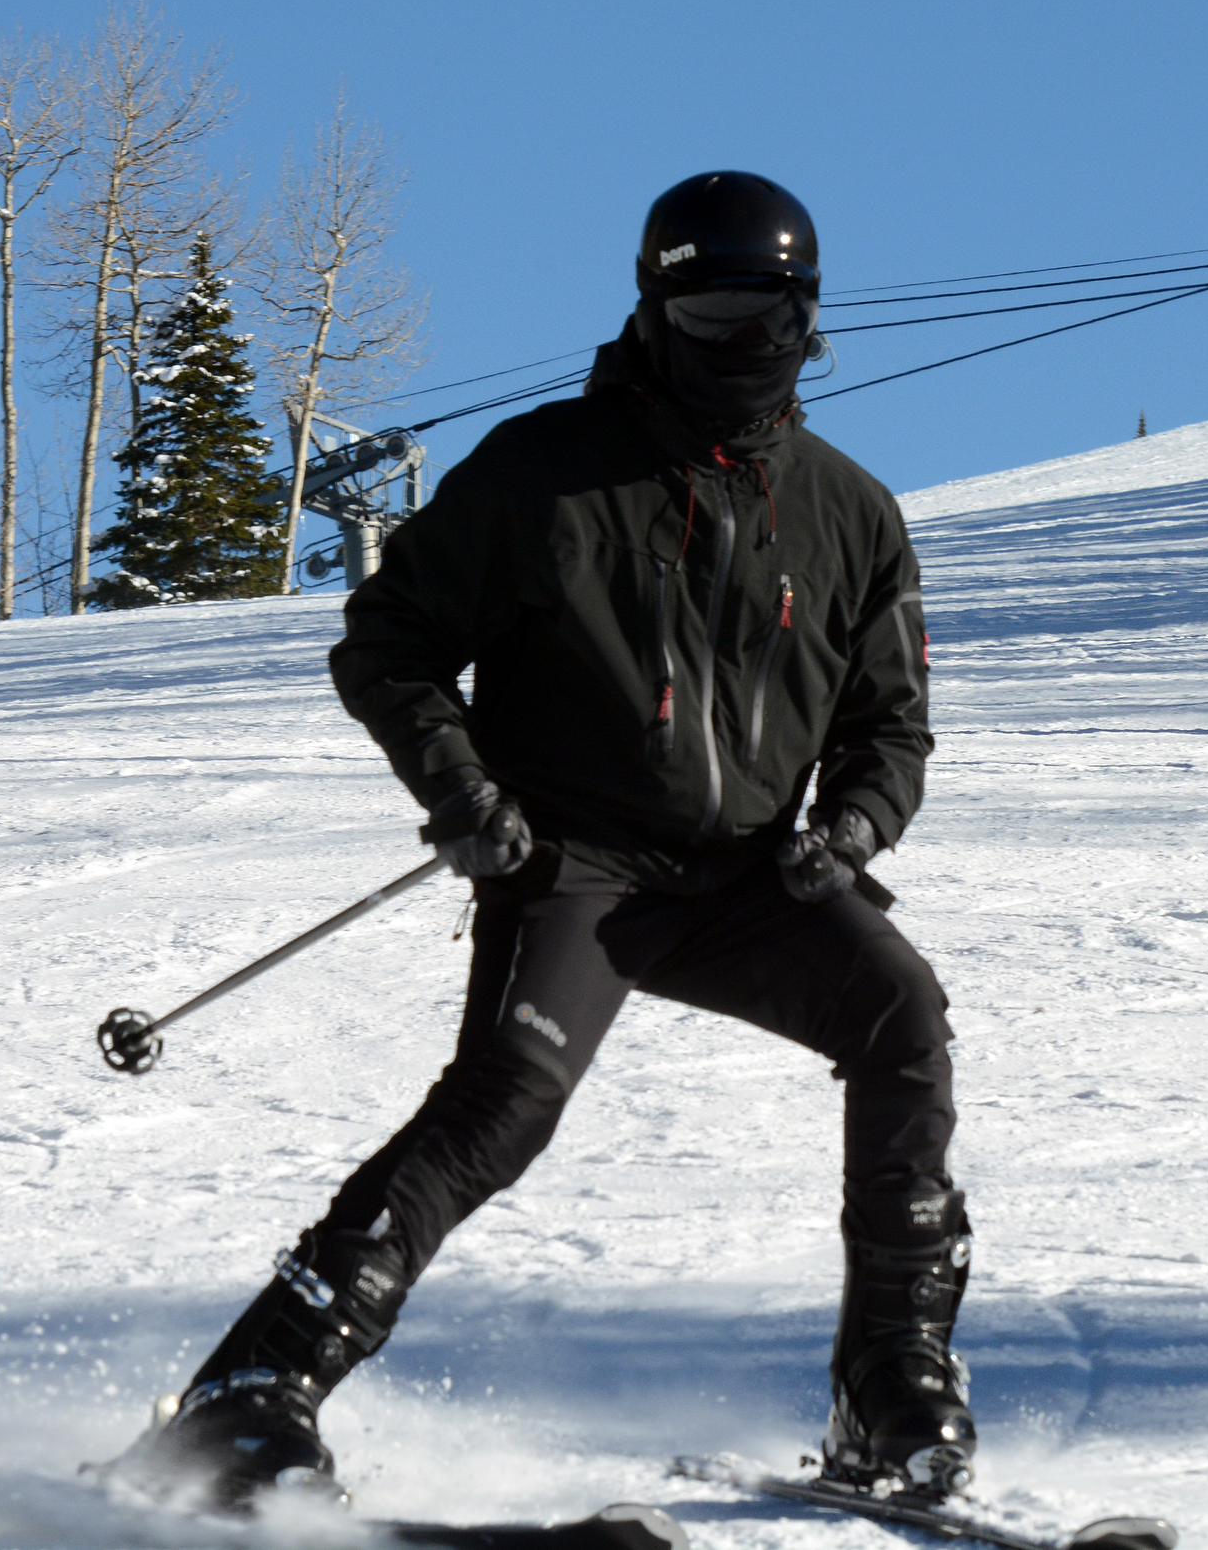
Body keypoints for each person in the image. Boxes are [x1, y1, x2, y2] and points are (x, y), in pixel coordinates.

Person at [124, 173, 974, 1511]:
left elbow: (892, 728)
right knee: (505, 1107)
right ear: (651, 311)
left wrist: (852, 825)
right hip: (573, 860)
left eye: (758, 310)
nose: (731, 338)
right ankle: (252, 1386)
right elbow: (388, 642)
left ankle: (891, 1385)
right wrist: (465, 792)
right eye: (699, 310)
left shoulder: (851, 513)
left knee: (902, 1016)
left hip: (754, 878)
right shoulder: (543, 472)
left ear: (808, 317)